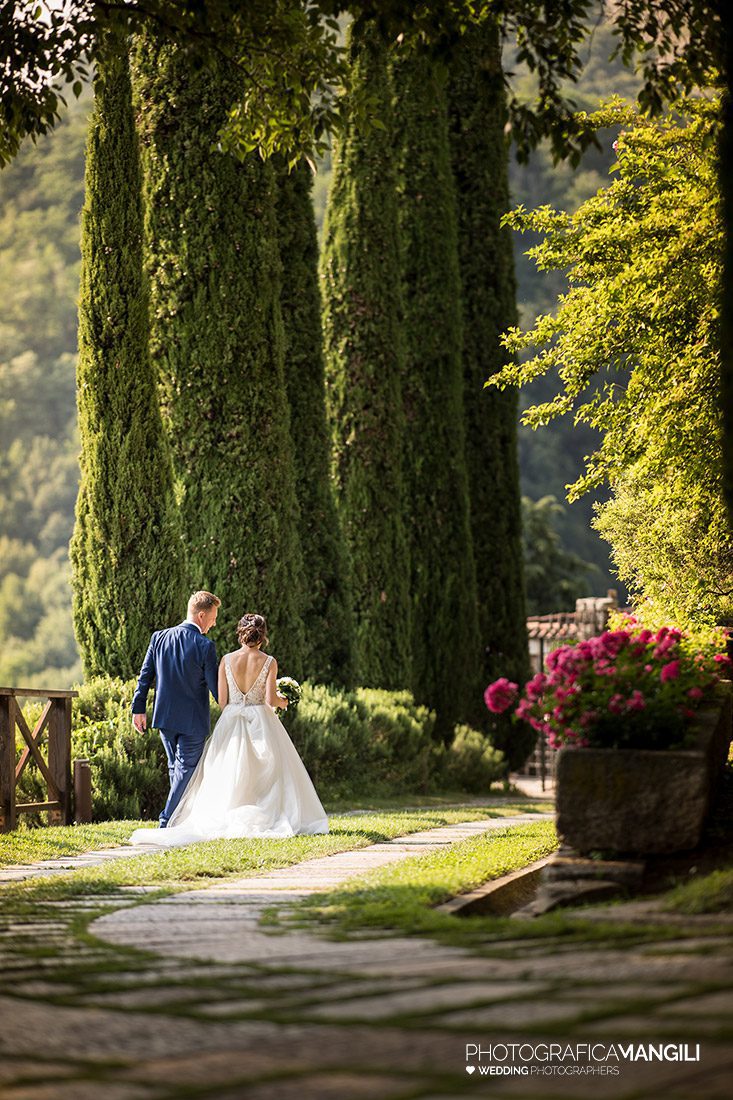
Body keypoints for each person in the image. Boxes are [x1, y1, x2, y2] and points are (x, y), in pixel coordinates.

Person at [129, 613, 328, 846]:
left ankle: (214, 812)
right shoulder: (269, 661)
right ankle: (259, 811)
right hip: (260, 719)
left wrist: (236, 706)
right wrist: (284, 701)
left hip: (231, 719)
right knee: (268, 771)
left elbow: (222, 701)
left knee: (226, 770)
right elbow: (270, 699)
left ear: (240, 633)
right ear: (263, 635)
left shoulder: (226, 660)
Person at [131, 590, 221, 828]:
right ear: (201, 615)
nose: (214, 622)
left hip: (165, 717)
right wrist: (235, 703)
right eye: (213, 617)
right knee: (185, 770)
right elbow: (216, 688)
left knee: (176, 769)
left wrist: (138, 709)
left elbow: (144, 677)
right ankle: (167, 821)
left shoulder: (158, 638)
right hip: (192, 721)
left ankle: (179, 819)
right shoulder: (205, 646)